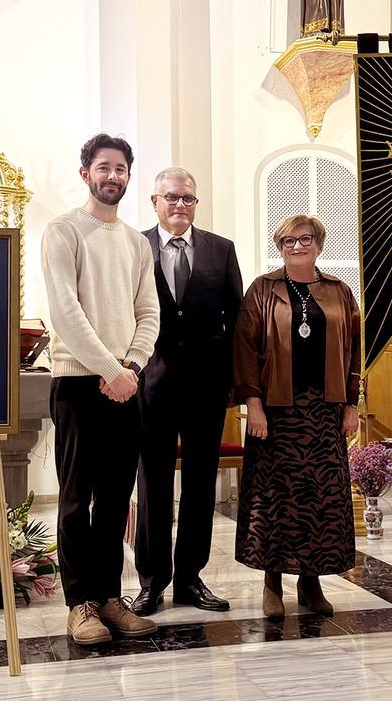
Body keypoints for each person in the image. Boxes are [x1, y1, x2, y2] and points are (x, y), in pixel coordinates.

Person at [42, 133, 160, 645]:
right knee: (76, 499)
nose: (113, 176)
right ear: (85, 171)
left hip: (126, 384)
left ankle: (111, 598)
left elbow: (148, 313)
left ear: (129, 176)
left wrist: (129, 366)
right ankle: (80, 605)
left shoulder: (135, 242)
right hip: (77, 382)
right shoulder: (63, 231)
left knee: (116, 500)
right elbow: (65, 313)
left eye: (121, 169)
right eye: (104, 167)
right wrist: (110, 370)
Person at [232, 214, 360, 619]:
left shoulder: (340, 292)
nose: (297, 246)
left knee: (320, 499)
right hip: (276, 410)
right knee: (275, 498)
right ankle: (272, 582)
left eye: (305, 239)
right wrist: (252, 404)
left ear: (319, 244)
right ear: (280, 247)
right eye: (288, 241)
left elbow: (356, 349)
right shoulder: (262, 289)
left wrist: (352, 404)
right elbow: (245, 349)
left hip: (324, 409)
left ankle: (311, 582)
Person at [131, 168, 243, 617]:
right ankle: (152, 581)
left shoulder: (221, 249)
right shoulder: (135, 246)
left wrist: (235, 382)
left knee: (200, 484)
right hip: (149, 383)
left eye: (188, 199)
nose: (180, 205)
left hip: (205, 386)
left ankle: (191, 579)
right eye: (172, 197)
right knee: (153, 482)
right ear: (154, 201)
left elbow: (236, 320)